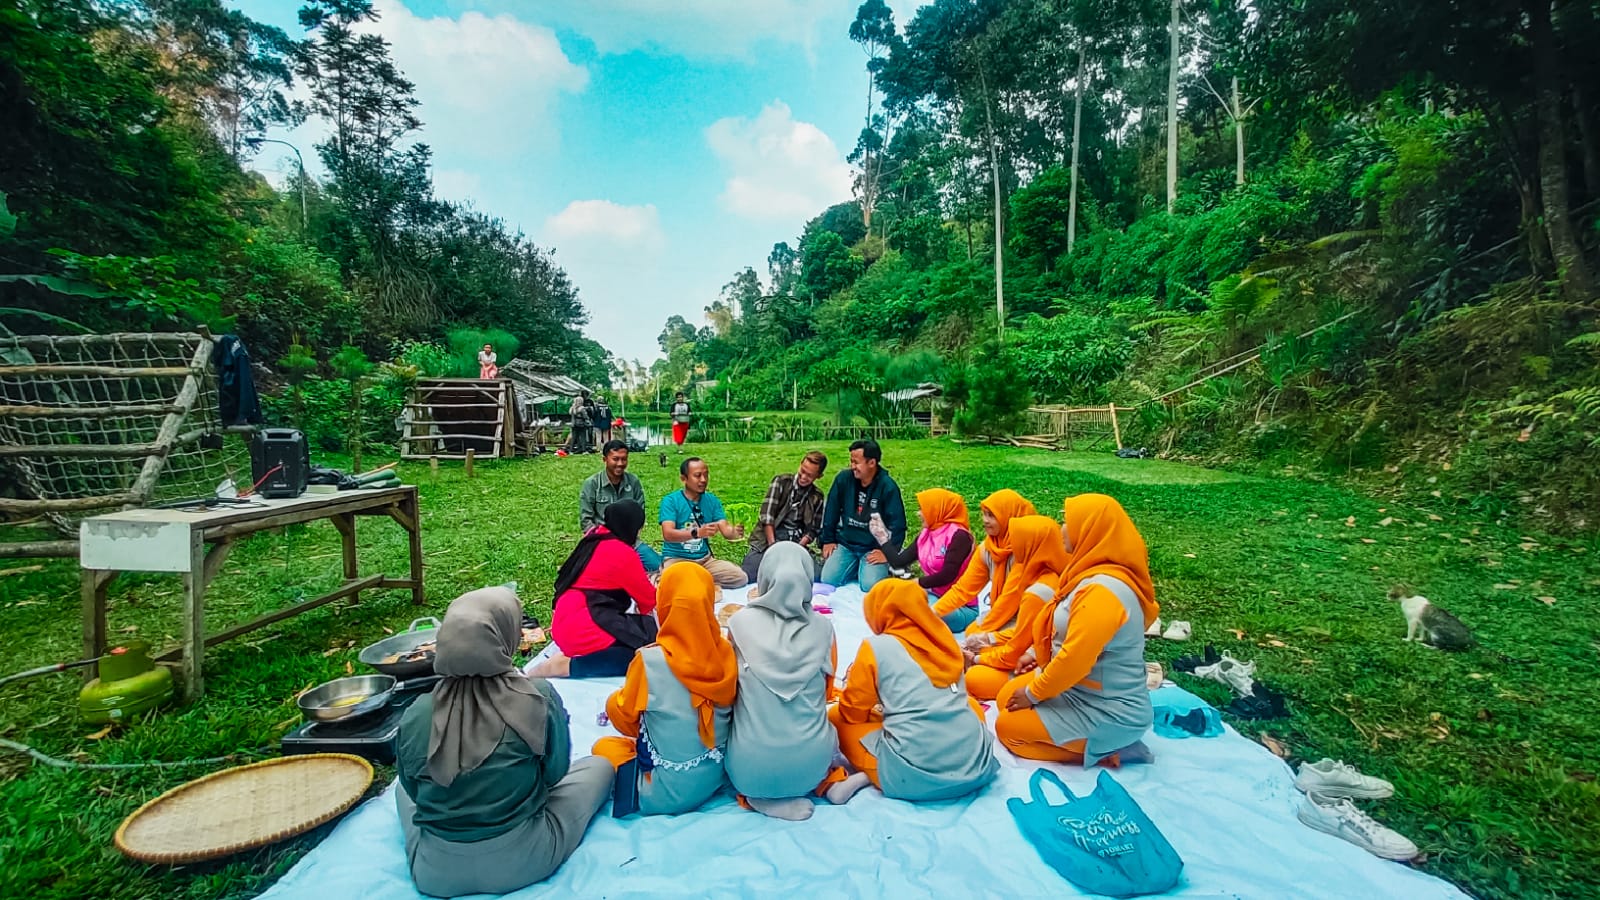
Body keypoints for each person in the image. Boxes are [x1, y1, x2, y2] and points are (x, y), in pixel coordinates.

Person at [395, 586, 611, 897]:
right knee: (599, 767)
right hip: (528, 858)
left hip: (435, 874)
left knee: (401, 792)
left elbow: (412, 786)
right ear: (506, 636)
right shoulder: (538, 696)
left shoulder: (416, 712)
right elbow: (554, 775)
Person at [995, 494, 1159, 768]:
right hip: (1076, 688)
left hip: (1107, 708)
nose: (1061, 527)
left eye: (1066, 521)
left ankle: (1112, 750)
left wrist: (1034, 693)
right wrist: (1037, 652)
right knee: (1004, 698)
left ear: (1088, 530)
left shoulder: (1102, 593)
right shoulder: (1087, 573)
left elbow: (1075, 659)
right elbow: (1069, 633)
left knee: (1008, 730)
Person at [830, 579, 998, 803]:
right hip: (975, 768)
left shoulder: (875, 647)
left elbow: (853, 712)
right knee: (972, 705)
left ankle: (875, 772)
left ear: (877, 611)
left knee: (835, 716)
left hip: (913, 776)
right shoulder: (947, 640)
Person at [592, 564, 738, 816]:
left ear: (665, 606)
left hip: (663, 794)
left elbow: (626, 721)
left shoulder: (650, 662)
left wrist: (613, 701)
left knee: (605, 746)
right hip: (716, 777)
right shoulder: (726, 652)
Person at [725, 543, 849, 820]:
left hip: (750, 770)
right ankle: (827, 783)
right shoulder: (824, 628)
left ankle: (760, 797)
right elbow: (827, 692)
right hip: (813, 765)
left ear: (766, 577)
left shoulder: (739, 624)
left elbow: (728, 692)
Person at [533, 500, 658, 679]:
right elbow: (649, 601)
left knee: (641, 632)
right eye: (639, 529)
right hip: (585, 625)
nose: (639, 534)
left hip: (565, 619)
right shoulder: (622, 553)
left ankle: (568, 661)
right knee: (646, 652)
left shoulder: (595, 536)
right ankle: (564, 666)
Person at [961, 515, 1069, 701]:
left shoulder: (1038, 591)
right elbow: (1026, 633)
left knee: (974, 677)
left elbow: (1015, 651)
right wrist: (989, 638)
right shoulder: (1041, 572)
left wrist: (976, 659)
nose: (1011, 543)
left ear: (1030, 544)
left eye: (1015, 538)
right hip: (1032, 650)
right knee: (976, 636)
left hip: (1035, 661)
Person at [929, 489, 1038, 648]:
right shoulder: (988, 548)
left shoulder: (1026, 550)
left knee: (977, 646)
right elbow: (963, 589)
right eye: (984, 514)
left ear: (1011, 517)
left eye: (991, 515)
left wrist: (986, 636)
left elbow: (1009, 599)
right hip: (1001, 615)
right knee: (971, 633)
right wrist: (933, 613)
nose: (985, 520)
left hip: (1027, 619)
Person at [870, 488, 976, 632]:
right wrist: (882, 538)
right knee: (892, 599)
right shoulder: (927, 533)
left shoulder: (959, 537)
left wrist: (917, 583)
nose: (918, 514)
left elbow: (947, 575)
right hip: (933, 595)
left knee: (914, 612)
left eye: (922, 508)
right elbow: (899, 561)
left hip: (959, 607)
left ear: (937, 509)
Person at [819, 439, 906, 591]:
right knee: (828, 579)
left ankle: (876, 567)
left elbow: (898, 524)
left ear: (871, 463)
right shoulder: (843, 479)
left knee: (869, 586)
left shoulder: (888, 487)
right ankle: (856, 566)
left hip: (873, 547)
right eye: (851, 461)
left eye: (856, 462)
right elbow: (831, 510)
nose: (852, 466)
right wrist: (828, 540)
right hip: (847, 543)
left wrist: (888, 552)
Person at [740, 450, 829, 583]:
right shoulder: (781, 482)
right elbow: (767, 517)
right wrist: (773, 548)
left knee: (817, 575)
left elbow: (813, 530)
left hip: (795, 542)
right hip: (768, 541)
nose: (803, 477)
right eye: (802, 471)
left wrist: (797, 549)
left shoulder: (817, 496)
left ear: (819, 476)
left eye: (809, 475)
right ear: (800, 464)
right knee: (748, 575)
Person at [660, 457, 748, 589]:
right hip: (677, 559)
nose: (703, 480)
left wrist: (735, 532)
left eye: (706, 475)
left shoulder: (712, 501)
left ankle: (698, 582)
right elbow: (668, 534)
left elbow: (726, 531)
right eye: (697, 476)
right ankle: (696, 582)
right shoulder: (671, 501)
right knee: (671, 583)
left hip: (705, 561)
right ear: (684, 479)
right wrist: (697, 533)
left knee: (740, 578)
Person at [579, 441, 663, 573]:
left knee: (661, 567)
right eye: (615, 459)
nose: (620, 463)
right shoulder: (592, 484)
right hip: (601, 545)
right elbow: (586, 521)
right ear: (605, 459)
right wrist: (606, 543)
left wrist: (628, 541)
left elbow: (639, 516)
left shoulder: (633, 482)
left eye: (624, 459)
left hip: (631, 543)